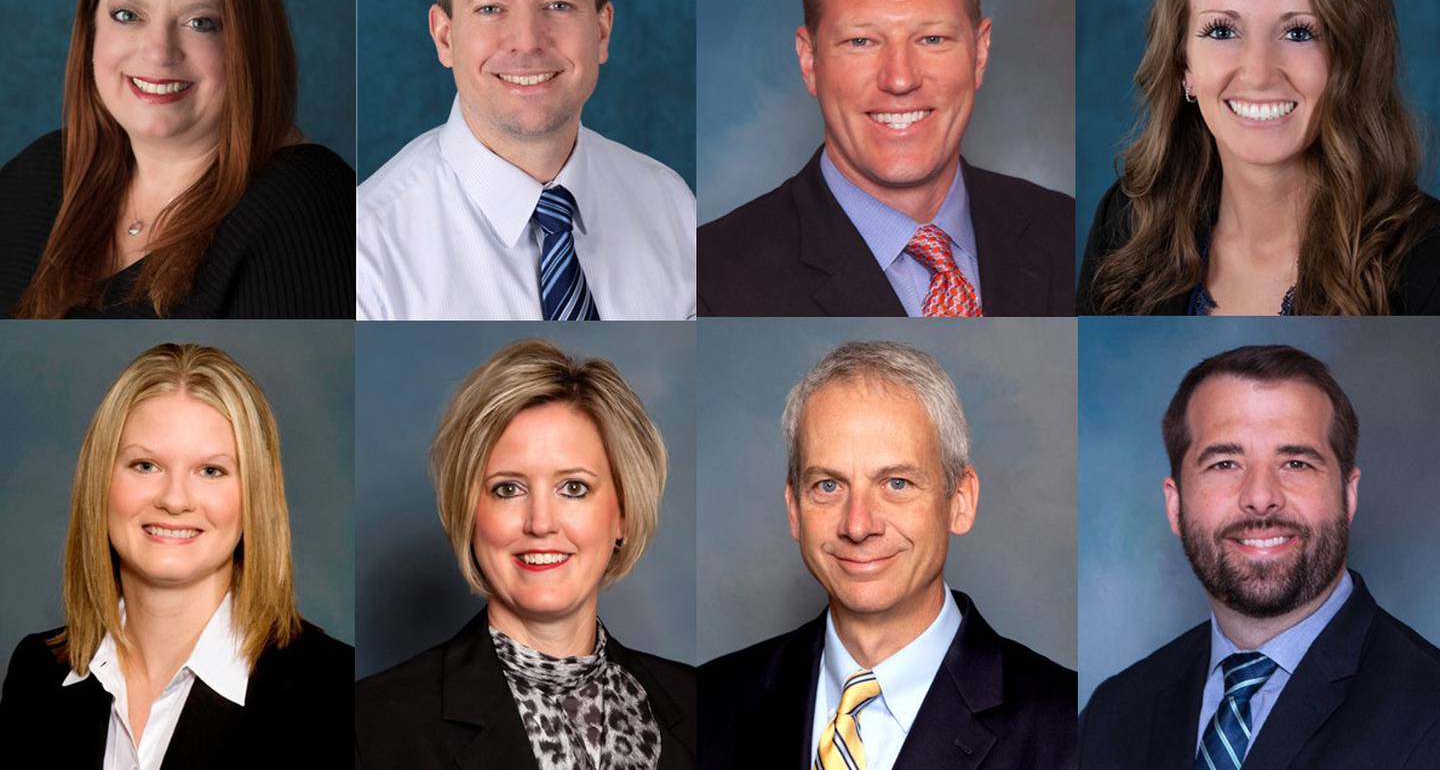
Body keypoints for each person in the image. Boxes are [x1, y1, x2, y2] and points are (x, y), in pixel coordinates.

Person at [703, 341, 1076, 769]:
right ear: (794, 508)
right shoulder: (714, 700)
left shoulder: (1064, 725)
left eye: (896, 483)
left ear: (960, 500)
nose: (858, 525)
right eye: (828, 485)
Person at [1078, 0, 1440, 317]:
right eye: (1222, 31)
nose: (1259, 73)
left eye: (1299, 33)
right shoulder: (1127, 223)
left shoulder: (1428, 263)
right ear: (1183, 65)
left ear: (1351, 58)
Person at [698, 0, 1073, 318]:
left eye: (932, 39)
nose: (899, 79)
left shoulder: (1067, 233)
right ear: (809, 60)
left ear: (979, 53)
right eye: (861, 41)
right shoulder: (713, 278)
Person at [1080, 345, 1440, 768]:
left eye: (1296, 463)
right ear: (1175, 506)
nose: (1261, 498)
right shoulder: (1114, 714)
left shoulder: (1428, 710)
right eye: (1226, 463)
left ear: (1348, 493)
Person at [0, 0, 355, 319]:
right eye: (127, 15)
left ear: (249, 43)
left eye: (200, 22)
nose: (158, 52)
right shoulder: (38, 175)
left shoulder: (307, 204)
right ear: (90, 31)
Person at [0, 342, 353, 766]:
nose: (174, 499)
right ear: (101, 481)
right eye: (145, 465)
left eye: (211, 471)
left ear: (254, 496)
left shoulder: (335, 689)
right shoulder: (36, 673)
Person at [356, 0, 694, 320]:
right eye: (491, 9)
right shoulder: (368, 249)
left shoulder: (671, 204)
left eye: (557, 4)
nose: (527, 41)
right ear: (444, 37)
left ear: (602, 31)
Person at [356, 339, 696, 768]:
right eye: (508, 489)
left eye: (573, 488)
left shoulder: (702, 701)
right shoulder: (373, 724)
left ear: (623, 514)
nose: (540, 522)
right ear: (468, 514)